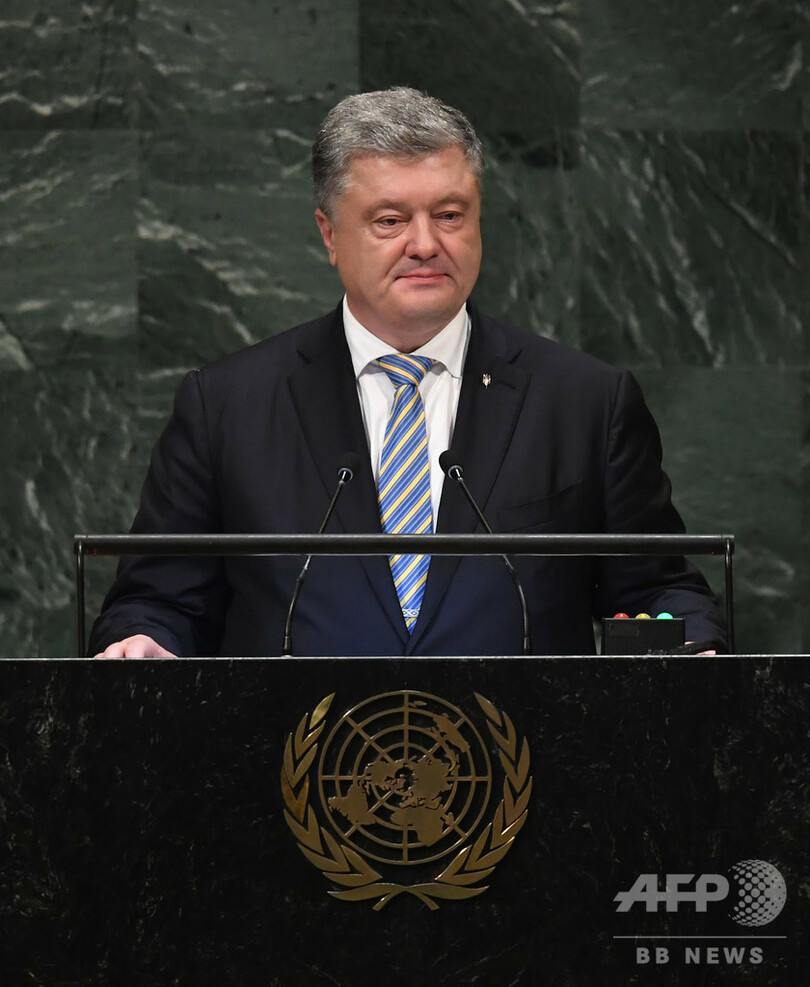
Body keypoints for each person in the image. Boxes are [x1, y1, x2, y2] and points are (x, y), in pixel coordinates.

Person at [90, 87, 726, 658]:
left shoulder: (585, 401)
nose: (425, 244)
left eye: (449, 215)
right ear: (330, 235)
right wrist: (144, 642)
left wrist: (686, 646)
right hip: (295, 750)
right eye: (390, 221)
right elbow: (160, 601)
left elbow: (656, 592)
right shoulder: (227, 406)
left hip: (521, 751)